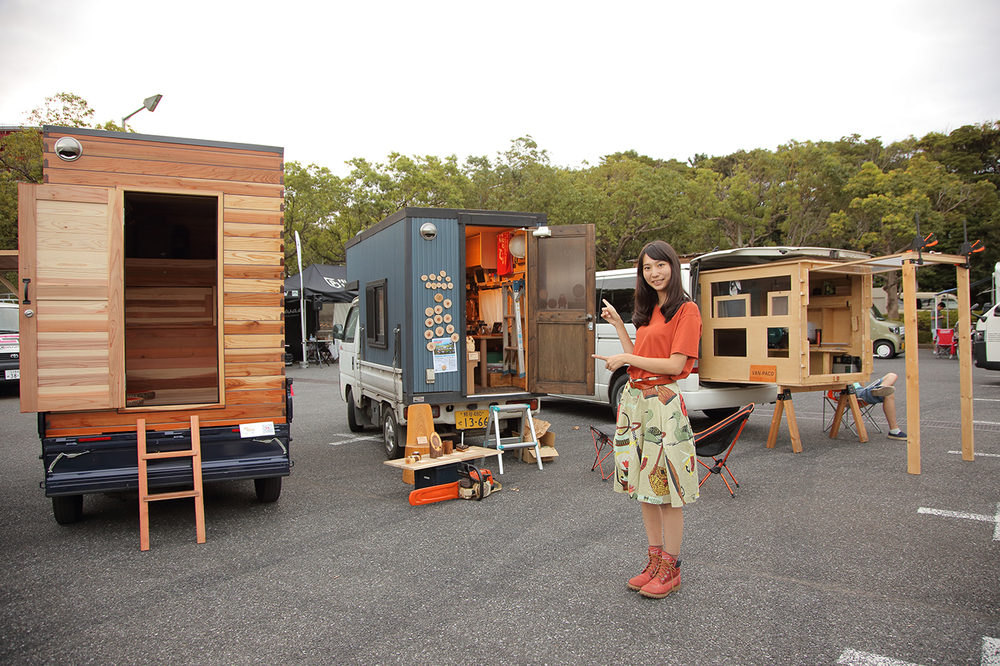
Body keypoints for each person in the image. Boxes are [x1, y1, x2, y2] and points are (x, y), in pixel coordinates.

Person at [594, 240, 702, 599]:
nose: (654, 273)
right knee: (645, 488)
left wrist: (625, 355)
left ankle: (671, 567)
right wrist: (621, 330)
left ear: (673, 265)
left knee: (667, 489)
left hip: (662, 404)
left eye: (660, 265)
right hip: (637, 401)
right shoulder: (652, 309)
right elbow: (641, 355)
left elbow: (674, 366)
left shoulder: (687, 311)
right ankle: (654, 560)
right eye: (646, 268)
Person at [854, 372, 906, 440]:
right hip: (853, 391)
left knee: (892, 375)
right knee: (888, 393)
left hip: (863, 390)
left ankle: (880, 388)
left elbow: (861, 383)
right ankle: (894, 431)